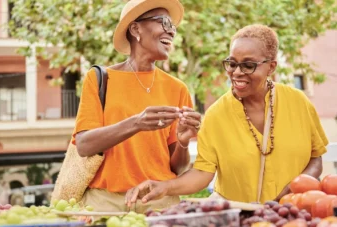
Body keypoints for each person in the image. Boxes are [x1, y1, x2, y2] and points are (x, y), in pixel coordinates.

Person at [125, 24, 329, 206]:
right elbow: (202, 173)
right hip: (240, 220)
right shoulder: (216, 115)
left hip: (297, 214)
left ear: (271, 67)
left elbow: (315, 157)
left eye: (248, 65)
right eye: (232, 63)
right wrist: (164, 187)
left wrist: (296, 188)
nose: (237, 72)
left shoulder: (298, 101)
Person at [74, 0, 201, 213]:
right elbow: (84, 145)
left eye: (173, 26)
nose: (171, 32)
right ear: (135, 28)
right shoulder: (99, 79)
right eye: (164, 22)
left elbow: (176, 169)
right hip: (105, 204)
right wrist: (137, 123)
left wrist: (183, 142)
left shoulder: (177, 88)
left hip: (159, 203)